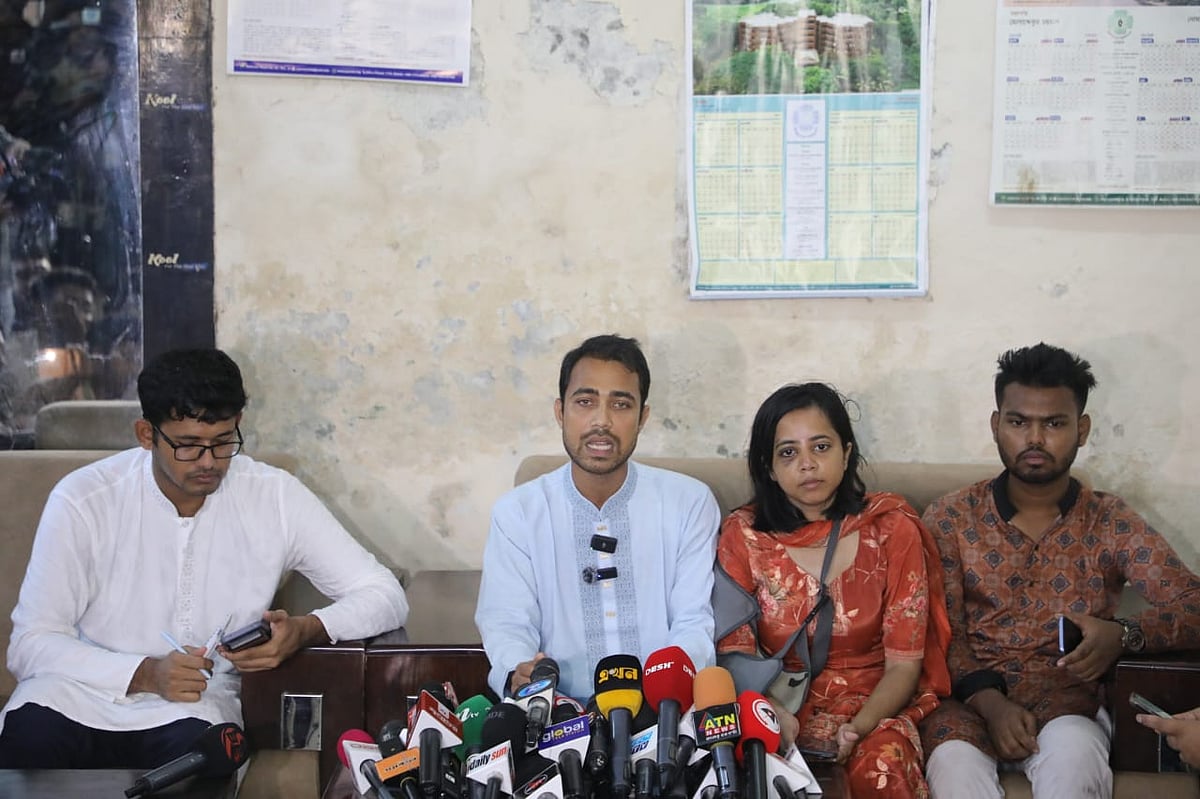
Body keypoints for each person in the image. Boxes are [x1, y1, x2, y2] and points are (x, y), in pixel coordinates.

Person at [0, 348, 408, 769]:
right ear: (146, 434)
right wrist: (145, 674)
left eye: (223, 442)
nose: (210, 463)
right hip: (75, 696)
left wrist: (308, 630)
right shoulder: (84, 498)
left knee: (207, 760)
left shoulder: (273, 496)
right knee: (25, 743)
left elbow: (384, 595)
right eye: (189, 446)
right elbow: (30, 644)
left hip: (192, 711)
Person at [919, 343, 1200, 799]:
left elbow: (1194, 605)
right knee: (954, 772)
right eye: (1018, 422)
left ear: (1082, 429)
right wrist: (992, 706)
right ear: (996, 426)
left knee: (1074, 764)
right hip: (966, 708)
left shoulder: (1110, 521)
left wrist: (1123, 634)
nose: (1035, 439)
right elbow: (938, 635)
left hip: (1070, 708)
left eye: (1053, 423)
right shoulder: (950, 518)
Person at [716, 382, 951, 798]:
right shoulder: (745, 535)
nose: (807, 464)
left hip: (873, 708)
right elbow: (734, 650)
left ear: (846, 452)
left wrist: (856, 730)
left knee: (882, 763)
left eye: (820, 447)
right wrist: (769, 712)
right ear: (769, 468)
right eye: (788, 452)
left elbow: (904, 664)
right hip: (774, 705)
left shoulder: (891, 529)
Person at [475, 334, 721, 701]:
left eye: (621, 404)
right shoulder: (519, 513)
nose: (601, 421)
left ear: (643, 417)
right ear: (560, 412)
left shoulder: (689, 503)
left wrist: (663, 697)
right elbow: (508, 623)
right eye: (585, 402)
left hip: (662, 714)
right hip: (556, 714)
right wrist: (523, 673)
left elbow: (693, 623)